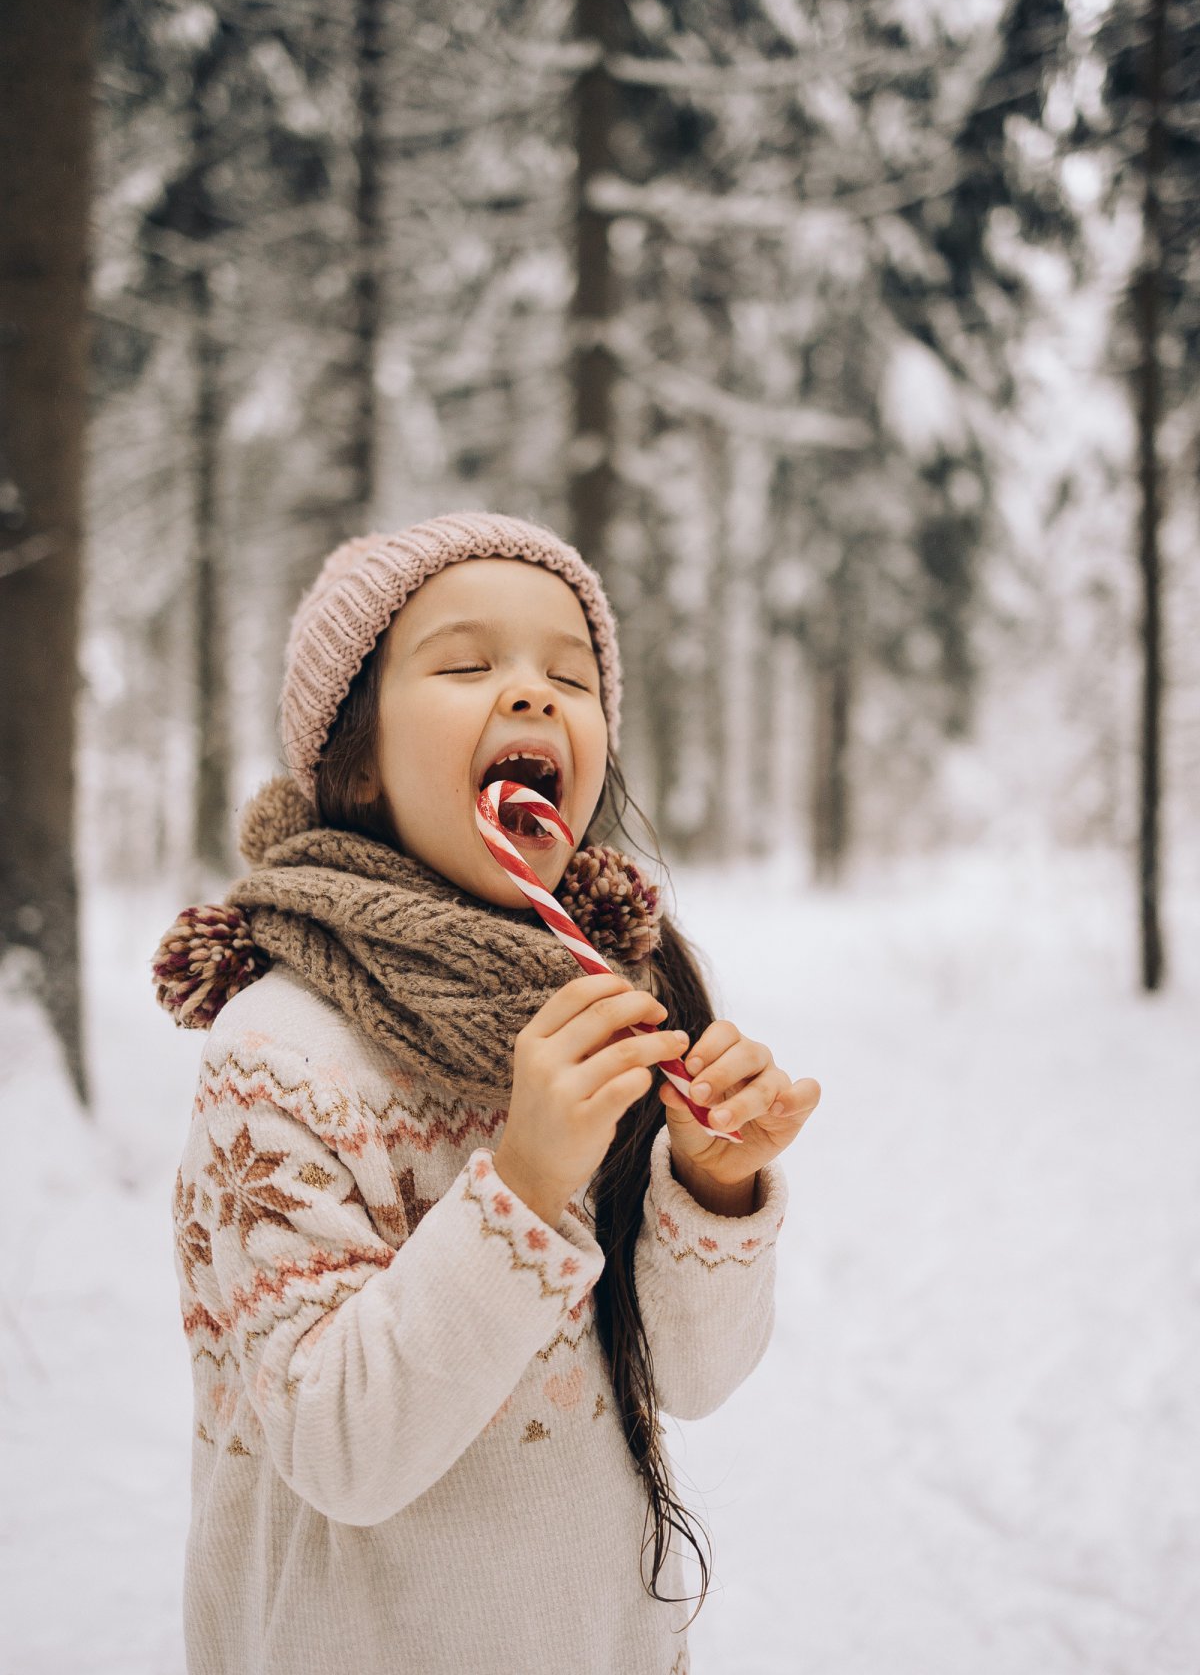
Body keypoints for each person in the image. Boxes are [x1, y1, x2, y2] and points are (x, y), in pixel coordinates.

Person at [155, 510, 821, 1675]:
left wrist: (712, 1185)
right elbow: (340, 1448)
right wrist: (523, 1183)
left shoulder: (606, 1005)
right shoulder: (283, 1054)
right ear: (352, 756)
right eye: (467, 665)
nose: (532, 694)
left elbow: (693, 1377)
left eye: (571, 674)